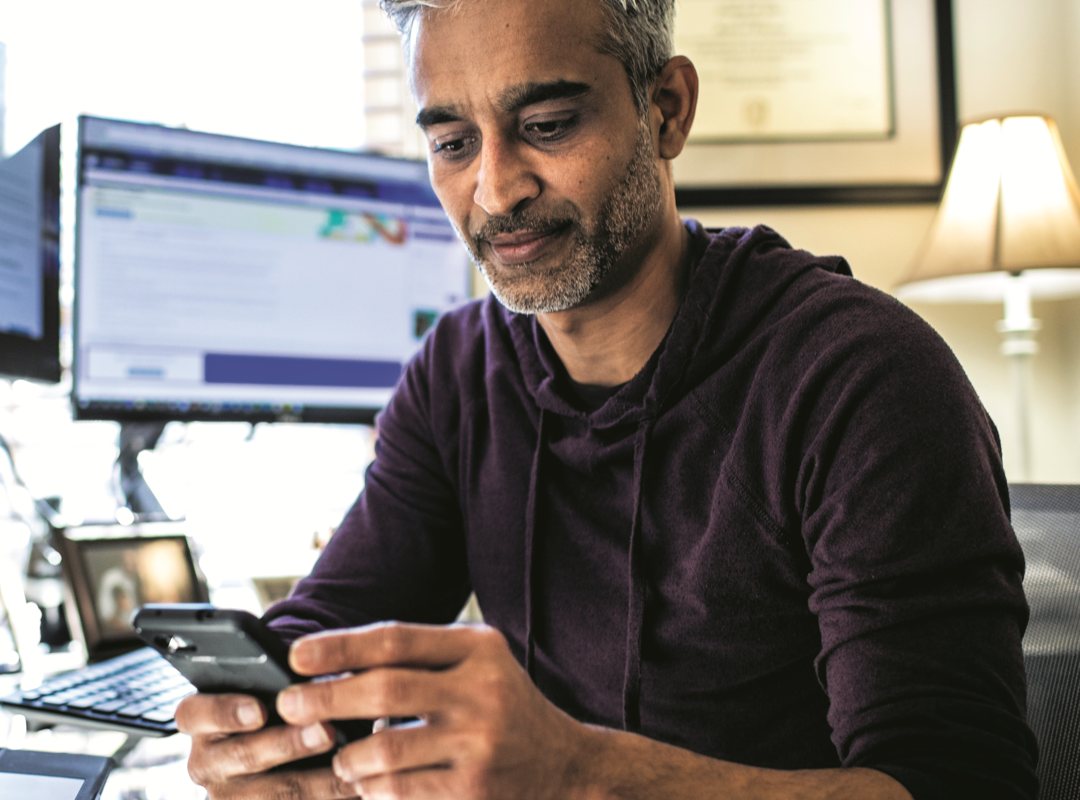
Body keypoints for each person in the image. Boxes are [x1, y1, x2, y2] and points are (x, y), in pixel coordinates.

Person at [175, 0, 1039, 797]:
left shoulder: (861, 379)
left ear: (665, 110)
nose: (495, 189)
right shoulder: (458, 373)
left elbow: (958, 782)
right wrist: (261, 726)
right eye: (452, 143)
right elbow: (331, 629)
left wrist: (578, 775)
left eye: (546, 126)